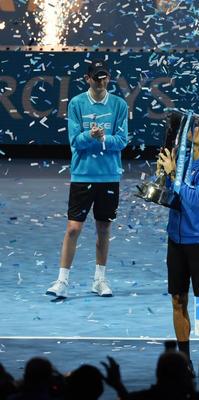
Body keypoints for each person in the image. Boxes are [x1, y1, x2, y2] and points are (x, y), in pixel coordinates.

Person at [46, 59, 128, 298]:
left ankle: (100, 280)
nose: (101, 82)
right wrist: (90, 136)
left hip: (110, 176)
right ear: (87, 79)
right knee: (73, 228)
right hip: (83, 175)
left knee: (104, 227)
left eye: (105, 78)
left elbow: (122, 141)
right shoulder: (77, 104)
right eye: (97, 78)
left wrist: (103, 139)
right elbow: (74, 142)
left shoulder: (119, 105)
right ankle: (62, 281)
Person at [157, 118, 199, 372]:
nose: (194, 129)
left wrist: (174, 174)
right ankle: (185, 362)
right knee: (178, 300)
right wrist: (164, 175)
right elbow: (172, 194)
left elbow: (195, 199)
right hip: (175, 240)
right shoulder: (182, 159)